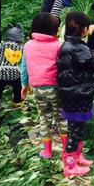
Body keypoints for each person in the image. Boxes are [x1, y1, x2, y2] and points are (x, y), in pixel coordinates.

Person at [57, 11, 94, 177]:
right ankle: (69, 166)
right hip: (78, 94)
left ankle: (78, 157)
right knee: (74, 131)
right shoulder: (79, 48)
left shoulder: (65, 45)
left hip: (71, 94)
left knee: (78, 129)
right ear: (85, 30)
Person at [20, 12, 68, 159]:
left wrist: (24, 86)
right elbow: (65, 67)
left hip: (37, 88)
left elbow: (24, 68)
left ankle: (47, 151)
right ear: (55, 29)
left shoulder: (28, 45)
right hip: (56, 88)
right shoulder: (60, 45)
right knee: (61, 119)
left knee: (44, 119)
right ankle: (66, 150)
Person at [0, 23, 24, 124]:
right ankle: (17, 106)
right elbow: (25, 64)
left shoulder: (1, 46)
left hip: (0, 74)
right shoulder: (22, 48)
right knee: (17, 91)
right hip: (16, 74)